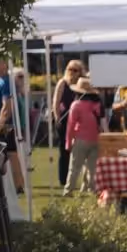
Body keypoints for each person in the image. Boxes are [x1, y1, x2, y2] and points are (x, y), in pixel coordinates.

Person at [62, 80, 105, 196]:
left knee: (74, 167)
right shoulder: (97, 105)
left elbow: (70, 126)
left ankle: (68, 190)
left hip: (80, 139)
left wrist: (68, 142)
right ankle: (93, 191)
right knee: (93, 169)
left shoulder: (76, 105)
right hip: (95, 139)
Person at [49, 59, 86, 187]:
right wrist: (57, 117)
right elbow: (56, 101)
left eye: (75, 70)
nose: (72, 72)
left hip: (79, 121)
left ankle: (77, 179)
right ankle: (63, 179)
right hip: (64, 120)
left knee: (79, 151)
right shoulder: (63, 83)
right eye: (70, 69)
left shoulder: (82, 84)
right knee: (64, 150)